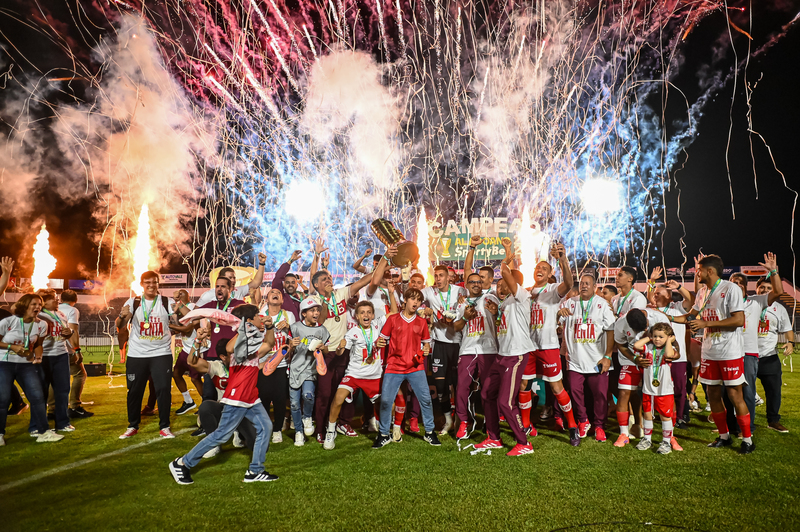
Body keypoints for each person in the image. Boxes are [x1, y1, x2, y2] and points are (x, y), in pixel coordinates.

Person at [169, 304, 278, 484]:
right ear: (249, 320)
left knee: (266, 427)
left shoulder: (251, 347)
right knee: (221, 435)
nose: (261, 317)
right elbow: (228, 347)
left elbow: (269, 344)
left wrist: (270, 327)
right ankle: (182, 463)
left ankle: (255, 470)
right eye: (258, 315)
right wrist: (243, 327)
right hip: (237, 397)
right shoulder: (238, 346)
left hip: (251, 397)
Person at [668, 255, 753, 453]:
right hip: (709, 352)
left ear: (710, 271)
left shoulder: (730, 288)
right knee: (712, 394)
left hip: (729, 351)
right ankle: (724, 436)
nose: (697, 273)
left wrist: (706, 323)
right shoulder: (702, 292)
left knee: (735, 395)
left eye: (699, 270)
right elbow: (691, 316)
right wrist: (666, 316)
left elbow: (738, 320)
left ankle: (747, 439)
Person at [309, 238, 385, 443]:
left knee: (346, 392)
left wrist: (382, 263)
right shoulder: (314, 300)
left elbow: (364, 281)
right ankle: (322, 428)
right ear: (316, 285)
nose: (329, 280)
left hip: (344, 350)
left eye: (329, 277)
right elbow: (321, 320)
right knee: (325, 393)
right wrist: (326, 299)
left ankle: (343, 423)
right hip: (325, 353)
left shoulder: (341, 293)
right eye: (324, 279)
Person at [117, 271, 188, 439]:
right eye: (147, 282)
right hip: (137, 353)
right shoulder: (133, 302)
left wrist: (178, 309)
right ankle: (132, 425)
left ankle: (165, 427)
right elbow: (120, 324)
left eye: (154, 282)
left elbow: (181, 320)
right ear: (141, 284)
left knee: (163, 389)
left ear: (158, 284)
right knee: (135, 391)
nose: (151, 285)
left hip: (161, 353)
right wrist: (121, 316)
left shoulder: (166, 302)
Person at [476, 263, 535, 456]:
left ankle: (524, 443)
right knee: (486, 393)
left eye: (503, 284)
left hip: (516, 355)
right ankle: (494, 438)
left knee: (506, 402)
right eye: (498, 285)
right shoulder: (505, 303)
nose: (499, 288)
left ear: (513, 284)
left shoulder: (522, 296)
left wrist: (507, 256)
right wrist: (496, 313)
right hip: (502, 355)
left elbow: (507, 274)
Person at [325, 296, 397, 450]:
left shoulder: (378, 325)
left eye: (369, 312)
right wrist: (339, 348)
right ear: (357, 316)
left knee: (388, 403)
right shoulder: (352, 332)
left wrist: (391, 293)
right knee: (338, 398)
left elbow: (394, 313)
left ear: (373, 315)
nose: (366, 315)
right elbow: (340, 353)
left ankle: (386, 430)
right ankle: (330, 431)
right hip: (354, 374)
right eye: (362, 312)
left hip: (374, 376)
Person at [372, 288, 438, 448]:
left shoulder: (422, 322)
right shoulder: (393, 319)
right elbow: (381, 340)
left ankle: (430, 432)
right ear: (405, 300)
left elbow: (426, 343)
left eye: (418, 300)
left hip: (415, 368)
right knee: (386, 401)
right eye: (413, 299)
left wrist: (426, 349)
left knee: (426, 400)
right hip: (394, 367)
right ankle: (383, 434)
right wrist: (379, 343)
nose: (416, 302)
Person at [726, 255, 784, 435]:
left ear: (745, 286)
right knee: (727, 393)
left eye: (741, 283)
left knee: (748, 392)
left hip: (748, 354)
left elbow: (778, 292)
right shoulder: (724, 304)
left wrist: (773, 271)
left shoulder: (755, 302)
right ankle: (731, 427)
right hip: (727, 353)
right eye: (734, 282)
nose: (737, 285)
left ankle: (747, 428)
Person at [523, 243, 576, 439]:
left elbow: (569, 283)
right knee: (524, 385)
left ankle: (572, 426)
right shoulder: (526, 292)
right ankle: (526, 426)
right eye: (538, 267)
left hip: (548, 347)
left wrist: (563, 259)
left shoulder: (553, 290)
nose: (540, 270)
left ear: (549, 274)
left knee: (556, 387)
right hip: (528, 347)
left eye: (544, 268)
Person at [559, 272, 616, 446]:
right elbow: (556, 320)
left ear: (595, 287)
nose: (583, 286)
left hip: (597, 359)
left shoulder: (602, 304)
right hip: (575, 359)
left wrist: (607, 356)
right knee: (574, 391)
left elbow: (610, 330)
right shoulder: (570, 303)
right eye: (582, 283)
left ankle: (599, 426)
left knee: (600, 395)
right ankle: (583, 420)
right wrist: (558, 313)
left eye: (587, 283)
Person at [0, 293, 63, 444]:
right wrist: (12, 347)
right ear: (24, 305)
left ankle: (43, 432)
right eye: (34, 304)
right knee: (3, 399)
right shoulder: (8, 321)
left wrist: (38, 358)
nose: (37, 307)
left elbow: (38, 344)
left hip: (26, 365)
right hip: (4, 363)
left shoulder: (42, 324)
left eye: (39, 304)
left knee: (37, 397)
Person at [421, 264, 468, 434]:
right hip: (439, 343)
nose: (438, 279)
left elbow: (473, 299)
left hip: (457, 343)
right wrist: (423, 309)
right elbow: (412, 298)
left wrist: (465, 300)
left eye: (441, 275)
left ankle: (461, 420)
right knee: (440, 385)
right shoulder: (429, 291)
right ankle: (448, 420)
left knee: (458, 385)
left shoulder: (460, 291)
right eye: (436, 275)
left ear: (449, 277)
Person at [613, 308, 670, 447]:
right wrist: (634, 359)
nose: (643, 331)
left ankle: (670, 436)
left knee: (665, 396)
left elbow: (672, 340)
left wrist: (675, 354)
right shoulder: (620, 323)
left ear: (646, 317)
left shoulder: (659, 318)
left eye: (645, 327)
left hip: (655, 362)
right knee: (624, 392)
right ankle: (623, 434)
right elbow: (621, 344)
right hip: (630, 360)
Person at [452, 273, 499, 438]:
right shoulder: (461, 303)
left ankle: (490, 423)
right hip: (467, 349)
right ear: (466, 284)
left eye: (479, 281)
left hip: (488, 349)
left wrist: (496, 313)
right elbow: (456, 327)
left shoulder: (490, 299)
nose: (476, 284)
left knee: (489, 389)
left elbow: (500, 318)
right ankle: (464, 422)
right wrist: (465, 318)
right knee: (462, 387)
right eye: (472, 282)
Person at [647, 268, 694, 428]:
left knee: (679, 389)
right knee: (658, 387)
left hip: (678, 357)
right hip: (658, 357)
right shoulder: (651, 310)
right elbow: (649, 296)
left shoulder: (677, 307)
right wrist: (651, 282)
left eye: (658, 293)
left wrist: (678, 287)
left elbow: (691, 300)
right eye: (654, 293)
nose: (655, 295)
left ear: (668, 296)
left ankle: (679, 417)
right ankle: (661, 415)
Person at [631, 322, 681, 454]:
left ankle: (666, 442)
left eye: (661, 337)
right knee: (647, 414)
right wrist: (649, 338)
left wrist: (669, 341)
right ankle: (647, 439)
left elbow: (669, 355)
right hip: (648, 389)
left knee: (665, 416)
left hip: (664, 390)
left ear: (668, 337)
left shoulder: (669, 348)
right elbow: (636, 345)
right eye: (655, 336)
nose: (657, 339)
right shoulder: (648, 348)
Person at [610, 265, 648, 439]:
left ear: (630, 279)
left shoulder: (637, 298)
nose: (616, 278)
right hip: (619, 347)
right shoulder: (615, 299)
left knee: (634, 390)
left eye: (620, 275)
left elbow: (635, 322)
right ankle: (630, 421)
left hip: (635, 350)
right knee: (622, 389)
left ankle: (639, 423)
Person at [287, 298, 330, 446]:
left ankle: (307, 417)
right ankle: (298, 432)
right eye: (312, 310)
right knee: (294, 404)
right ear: (304, 313)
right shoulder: (294, 328)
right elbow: (288, 351)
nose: (316, 313)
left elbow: (327, 350)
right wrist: (292, 346)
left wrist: (323, 348)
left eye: (317, 310)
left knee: (308, 395)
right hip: (295, 369)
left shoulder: (322, 330)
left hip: (311, 369)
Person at [754, 278, 794, 433]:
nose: (765, 290)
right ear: (756, 289)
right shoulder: (748, 304)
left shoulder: (779, 308)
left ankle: (773, 420)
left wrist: (790, 342)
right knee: (741, 391)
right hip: (747, 356)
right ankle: (741, 421)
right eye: (762, 287)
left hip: (769, 356)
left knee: (774, 391)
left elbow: (787, 329)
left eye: (769, 288)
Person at [258, 288, 295, 443]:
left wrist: (289, 328)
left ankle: (277, 429)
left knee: (280, 398)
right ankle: (266, 427)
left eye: (278, 293)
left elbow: (295, 337)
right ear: (267, 299)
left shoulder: (289, 315)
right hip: (264, 363)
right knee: (263, 397)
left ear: (282, 300)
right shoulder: (260, 315)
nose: (275, 294)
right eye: (272, 292)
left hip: (281, 363)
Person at [36, 289, 75, 433]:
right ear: (44, 302)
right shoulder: (38, 315)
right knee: (41, 392)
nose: (57, 300)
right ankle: (38, 425)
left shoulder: (61, 314)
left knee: (63, 390)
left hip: (61, 354)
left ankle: (63, 423)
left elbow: (67, 331)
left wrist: (69, 333)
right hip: (44, 356)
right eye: (53, 298)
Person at [167, 290, 203, 415]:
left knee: (195, 379)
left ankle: (206, 403)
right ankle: (188, 401)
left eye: (181, 294)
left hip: (196, 348)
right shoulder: (177, 310)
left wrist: (170, 326)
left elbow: (188, 329)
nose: (178, 296)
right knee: (176, 374)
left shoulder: (192, 308)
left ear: (188, 296)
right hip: (186, 348)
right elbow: (179, 329)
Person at [58, 290, 93, 419]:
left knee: (54, 378)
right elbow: (73, 330)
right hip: (66, 348)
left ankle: (52, 409)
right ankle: (75, 406)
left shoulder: (53, 310)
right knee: (80, 374)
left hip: (51, 349)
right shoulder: (72, 310)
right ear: (75, 300)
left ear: (61, 299)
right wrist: (77, 349)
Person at [194, 254, 267, 307]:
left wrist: (262, 264)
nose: (233, 280)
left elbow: (256, 282)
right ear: (221, 278)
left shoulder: (238, 291)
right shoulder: (208, 295)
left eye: (234, 277)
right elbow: (195, 313)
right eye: (230, 278)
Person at [272, 250, 304, 320]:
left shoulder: (302, 299)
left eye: (293, 282)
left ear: (297, 284)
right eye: (287, 282)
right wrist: (290, 261)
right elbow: (278, 277)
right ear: (283, 284)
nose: (290, 285)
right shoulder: (281, 297)